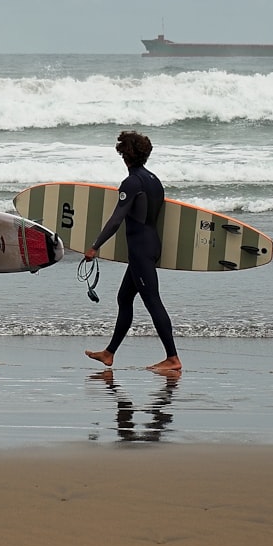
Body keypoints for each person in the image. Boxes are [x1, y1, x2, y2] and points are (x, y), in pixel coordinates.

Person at [83, 130, 182, 373]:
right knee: (124, 298)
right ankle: (109, 353)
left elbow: (117, 219)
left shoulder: (131, 182)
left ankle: (172, 358)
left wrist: (95, 246)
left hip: (140, 250)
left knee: (153, 301)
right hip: (151, 244)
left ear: (124, 155)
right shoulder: (154, 180)